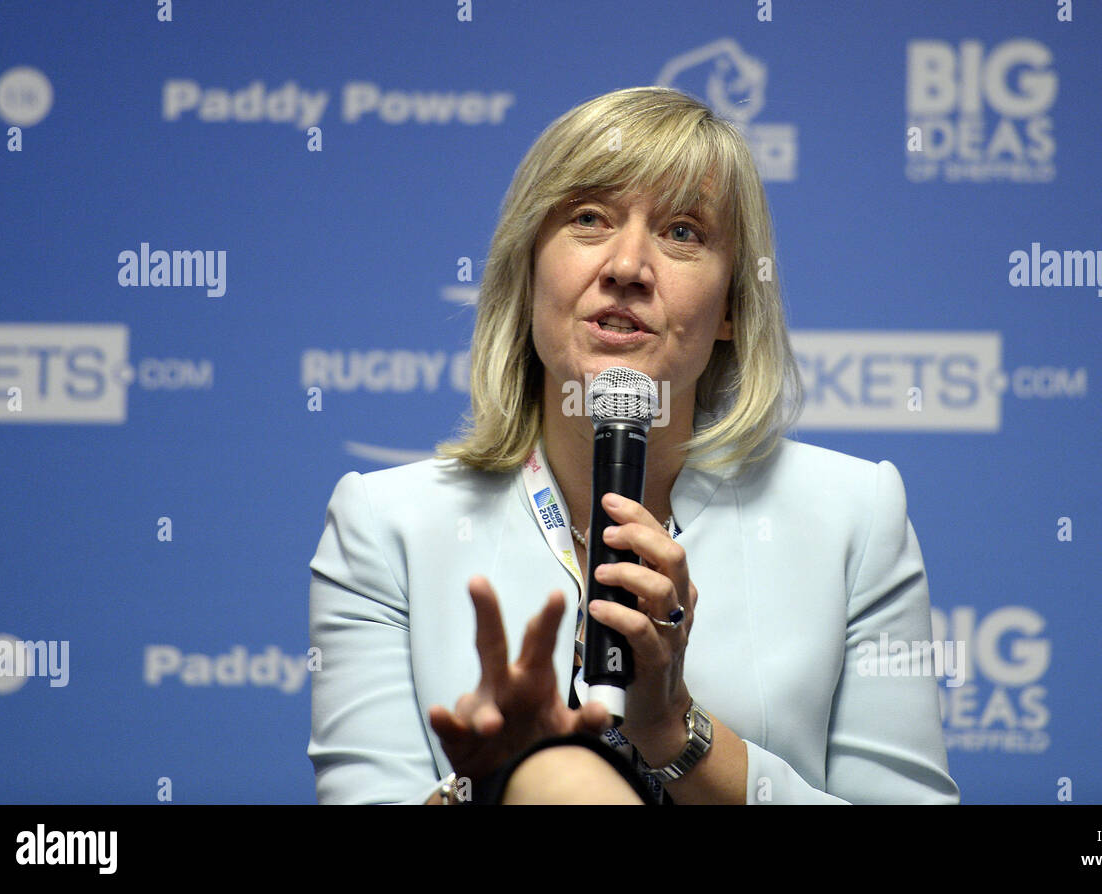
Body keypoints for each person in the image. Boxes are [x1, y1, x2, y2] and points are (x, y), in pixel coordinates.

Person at [307, 85, 959, 805]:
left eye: (682, 232)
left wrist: (677, 729)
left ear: (733, 309)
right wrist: (484, 783)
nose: (626, 265)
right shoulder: (384, 524)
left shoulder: (853, 516)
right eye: (589, 219)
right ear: (527, 275)